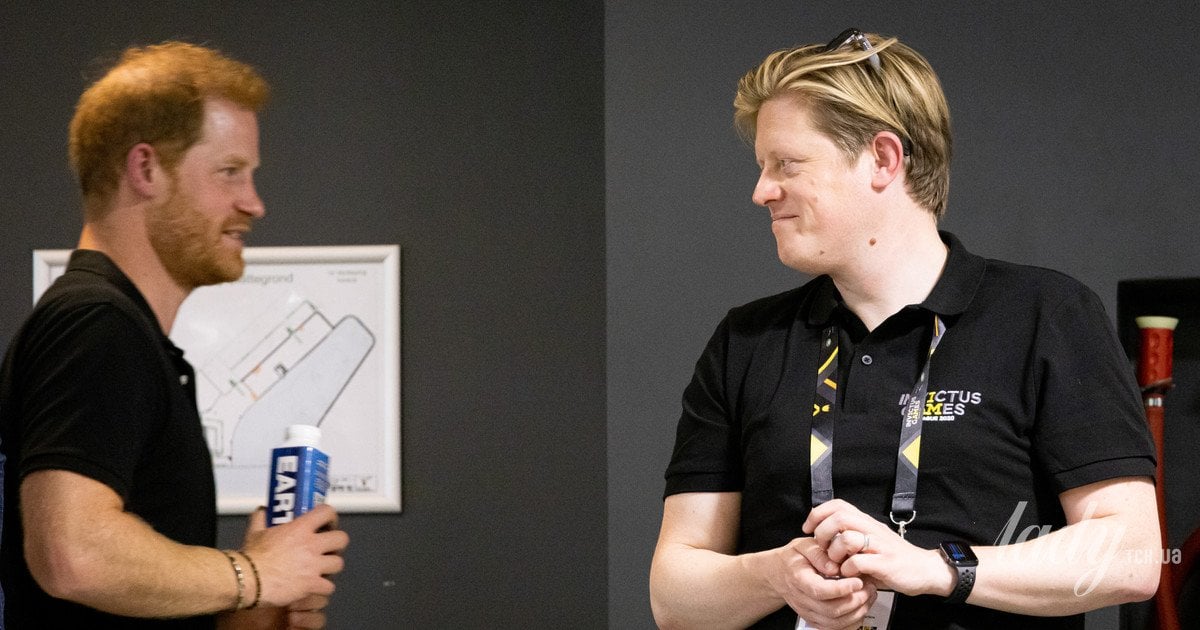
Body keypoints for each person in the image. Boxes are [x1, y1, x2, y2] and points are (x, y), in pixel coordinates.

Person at [649, 28, 1161, 629]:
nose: (762, 191)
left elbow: (1130, 556)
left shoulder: (1045, 314)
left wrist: (937, 569)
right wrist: (775, 575)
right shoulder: (746, 341)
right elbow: (673, 597)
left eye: (786, 164)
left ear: (883, 159)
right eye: (763, 166)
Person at [0, 42, 349, 629]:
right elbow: (72, 555)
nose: (254, 204)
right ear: (146, 170)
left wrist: (253, 610)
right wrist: (255, 573)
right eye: (229, 172)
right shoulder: (96, 322)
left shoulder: (130, 336)